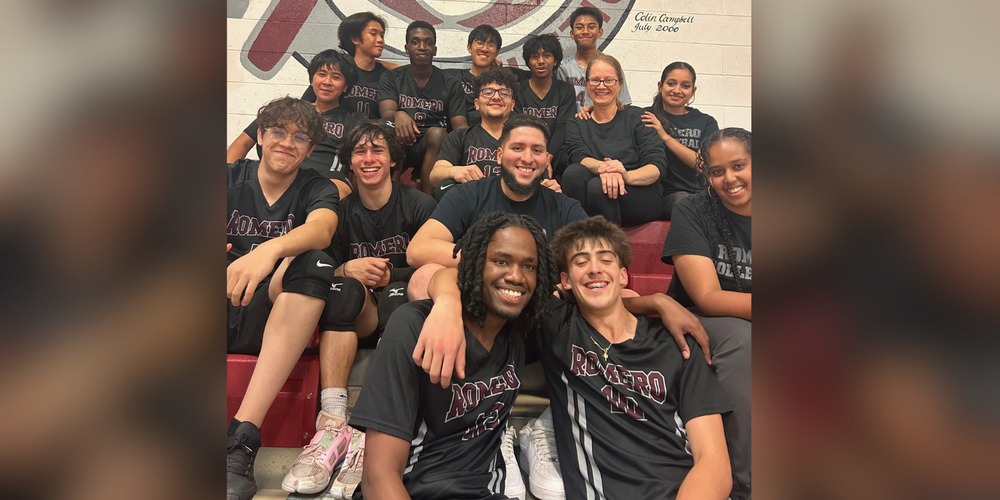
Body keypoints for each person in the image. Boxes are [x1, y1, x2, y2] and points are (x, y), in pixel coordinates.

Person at [415, 216, 730, 500]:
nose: (594, 268)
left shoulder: (675, 343)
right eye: (581, 262)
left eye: (605, 260)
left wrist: (658, 303)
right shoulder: (555, 324)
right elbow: (441, 273)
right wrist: (446, 305)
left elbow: (713, 461)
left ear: (623, 275)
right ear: (564, 281)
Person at [349, 211, 558, 500]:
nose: (516, 276)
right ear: (474, 264)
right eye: (500, 261)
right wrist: (447, 303)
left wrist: (446, 298)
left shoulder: (520, 330)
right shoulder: (413, 325)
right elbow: (378, 479)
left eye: (529, 266)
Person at [280, 121, 437, 495]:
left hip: (399, 314)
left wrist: (391, 275)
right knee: (343, 288)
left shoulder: (420, 205)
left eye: (378, 150)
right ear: (348, 162)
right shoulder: (341, 210)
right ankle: (333, 420)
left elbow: (434, 265)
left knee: (401, 300)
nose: (369, 159)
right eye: (360, 152)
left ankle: (370, 429)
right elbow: (319, 268)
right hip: (360, 312)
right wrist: (346, 267)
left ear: (393, 159)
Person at [226, 96, 341, 500]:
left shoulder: (316, 186)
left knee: (316, 261)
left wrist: (267, 252)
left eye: (299, 137)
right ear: (260, 136)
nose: (287, 143)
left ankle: (240, 442)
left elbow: (323, 229)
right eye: (277, 131)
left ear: (310, 149)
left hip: (274, 310)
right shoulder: (228, 177)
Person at [660, 127, 752, 500]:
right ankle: (747, 482)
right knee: (744, 342)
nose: (729, 178)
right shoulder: (693, 209)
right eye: (717, 171)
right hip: (699, 319)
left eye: (739, 166)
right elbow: (708, 297)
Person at [406, 114, 583, 299]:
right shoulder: (469, 194)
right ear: (499, 155)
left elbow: (598, 257)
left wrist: (559, 291)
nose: (527, 158)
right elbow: (418, 249)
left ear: (545, 160)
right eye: (517, 148)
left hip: (537, 302)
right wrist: (493, 262)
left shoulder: (564, 206)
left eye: (537, 151)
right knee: (424, 277)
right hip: (479, 296)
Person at [227, 50, 364, 200]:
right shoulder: (287, 110)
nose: (327, 82)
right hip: (278, 172)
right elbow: (242, 143)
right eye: (322, 74)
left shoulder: (354, 120)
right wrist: (230, 175)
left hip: (324, 178)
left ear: (345, 86)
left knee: (339, 191)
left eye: (336, 77)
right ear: (312, 80)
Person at [563, 54, 666, 226]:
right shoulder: (578, 123)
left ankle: (610, 246)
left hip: (639, 193)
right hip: (596, 192)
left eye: (609, 80)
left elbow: (657, 166)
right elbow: (578, 158)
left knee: (598, 187)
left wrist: (625, 175)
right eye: (595, 80)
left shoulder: (639, 117)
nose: (601, 86)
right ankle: (577, 237)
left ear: (620, 84)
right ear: (586, 84)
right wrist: (607, 169)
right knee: (573, 173)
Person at [378, 20, 468, 195]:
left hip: (433, 146)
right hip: (400, 141)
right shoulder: (391, 77)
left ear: (435, 50)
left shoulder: (450, 83)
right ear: (406, 48)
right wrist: (398, 114)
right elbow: (386, 113)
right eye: (415, 41)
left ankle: (428, 205)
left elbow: (460, 127)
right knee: (389, 131)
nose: (422, 46)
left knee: (437, 133)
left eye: (428, 42)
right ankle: (390, 201)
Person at [641, 62, 720, 218]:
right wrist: (590, 110)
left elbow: (704, 165)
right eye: (671, 84)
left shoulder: (706, 122)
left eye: (685, 86)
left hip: (699, 193)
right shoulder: (645, 116)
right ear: (660, 85)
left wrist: (665, 136)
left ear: (693, 91)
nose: (677, 90)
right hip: (661, 195)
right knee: (684, 202)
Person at [429, 68, 518, 201]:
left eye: (504, 93)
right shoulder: (459, 137)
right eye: (488, 93)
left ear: (512, 104)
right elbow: (434, 176)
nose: (496, 97)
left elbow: (542, 179)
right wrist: (455, 171)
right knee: (444, 188)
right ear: (477, 104)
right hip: (472, 206)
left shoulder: (524, 139)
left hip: (512, 206)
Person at [301, 12, 400, 118]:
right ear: (355, 39)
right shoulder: (339, 70)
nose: (380, 40)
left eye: (382, 35)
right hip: (337, 132)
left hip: (372, 133)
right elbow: (303, 107)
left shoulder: (387, 76)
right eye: (373, 33)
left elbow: (410, 71)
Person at [514, 34, 577, 178]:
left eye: (547, 56)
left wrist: (548, 156)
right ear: (528, 61)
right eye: (535, 56)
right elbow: (518, 128)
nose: (541, 61)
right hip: (526, 149)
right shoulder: (518, 91)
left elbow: (563, 127)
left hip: (556, 151)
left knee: (575, 166)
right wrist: (535, 155)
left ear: (555, 61)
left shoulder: (565, 90)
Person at [557, 6, 632, 111]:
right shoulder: (563, 68)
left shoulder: (611, 67)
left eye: (591, 27)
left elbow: (624, 104)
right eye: (579, 27)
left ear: (600, 32)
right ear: (572, 34)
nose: (585, 31)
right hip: (573, 125)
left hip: (604, 125)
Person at [446, 24, 505, 128]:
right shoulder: (453, 77)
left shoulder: (503, 83)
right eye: (480, 43)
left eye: (491, 45)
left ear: (497, 52)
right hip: (459, 137)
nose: (485, 49)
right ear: (469, 47)